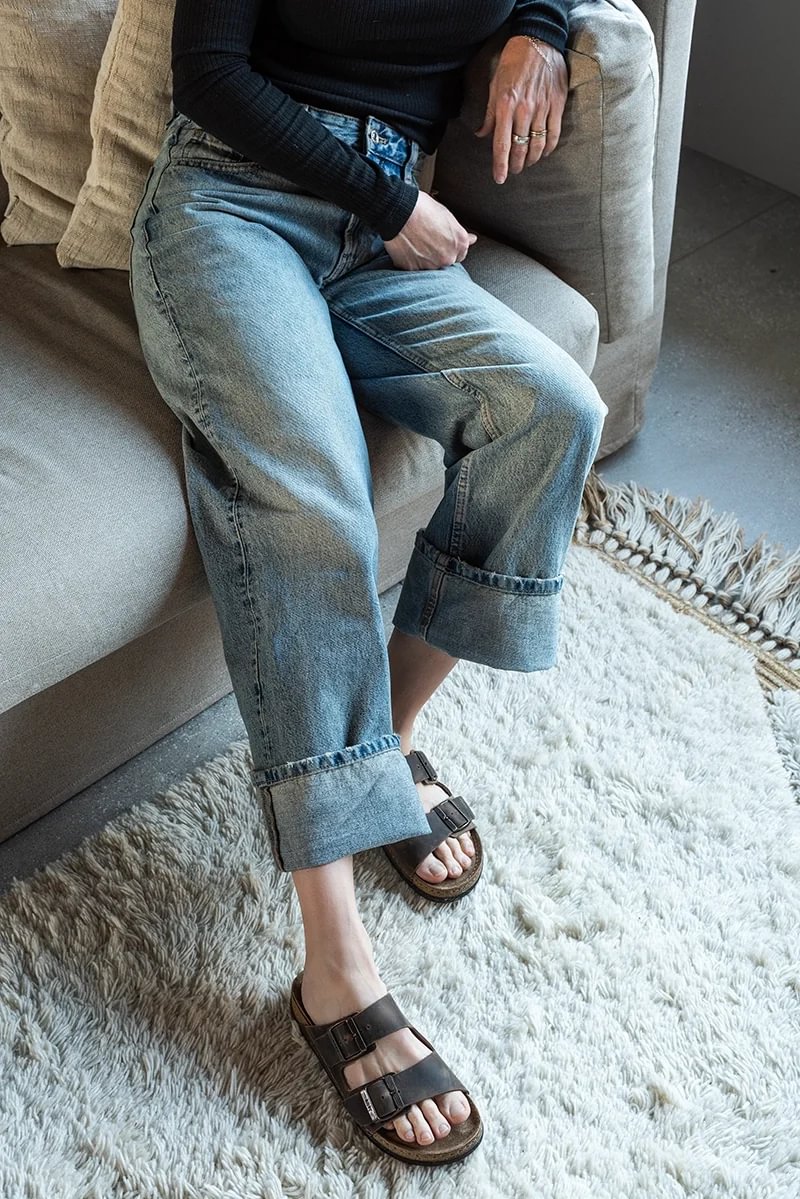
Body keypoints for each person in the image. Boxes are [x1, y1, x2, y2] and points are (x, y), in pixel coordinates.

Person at [128, 0, 608, 1166]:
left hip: (382, 232)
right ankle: (333, 966)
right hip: (236, 206)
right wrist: (390, 204)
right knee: (313, 503)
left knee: (551, 412)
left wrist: (542, 26)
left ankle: (379, 743)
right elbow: (210, 74)